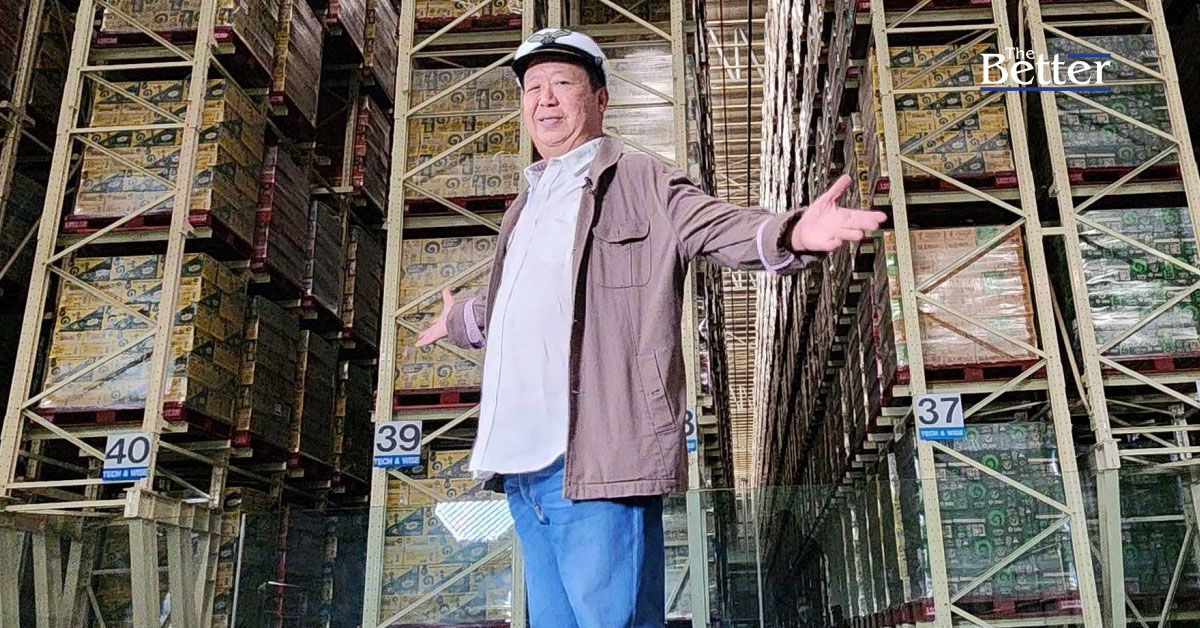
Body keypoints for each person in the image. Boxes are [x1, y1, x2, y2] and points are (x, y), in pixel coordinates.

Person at [415, 28, 886, 628]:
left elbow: (715, 226)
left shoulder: (640, 181)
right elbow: (517, 300)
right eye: (533, 88)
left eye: (562, 83)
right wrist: (458, 319)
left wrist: (791, 234)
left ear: (600, 98)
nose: (545, 99)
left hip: (596, 462)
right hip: (518, 468)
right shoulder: (524, 207)